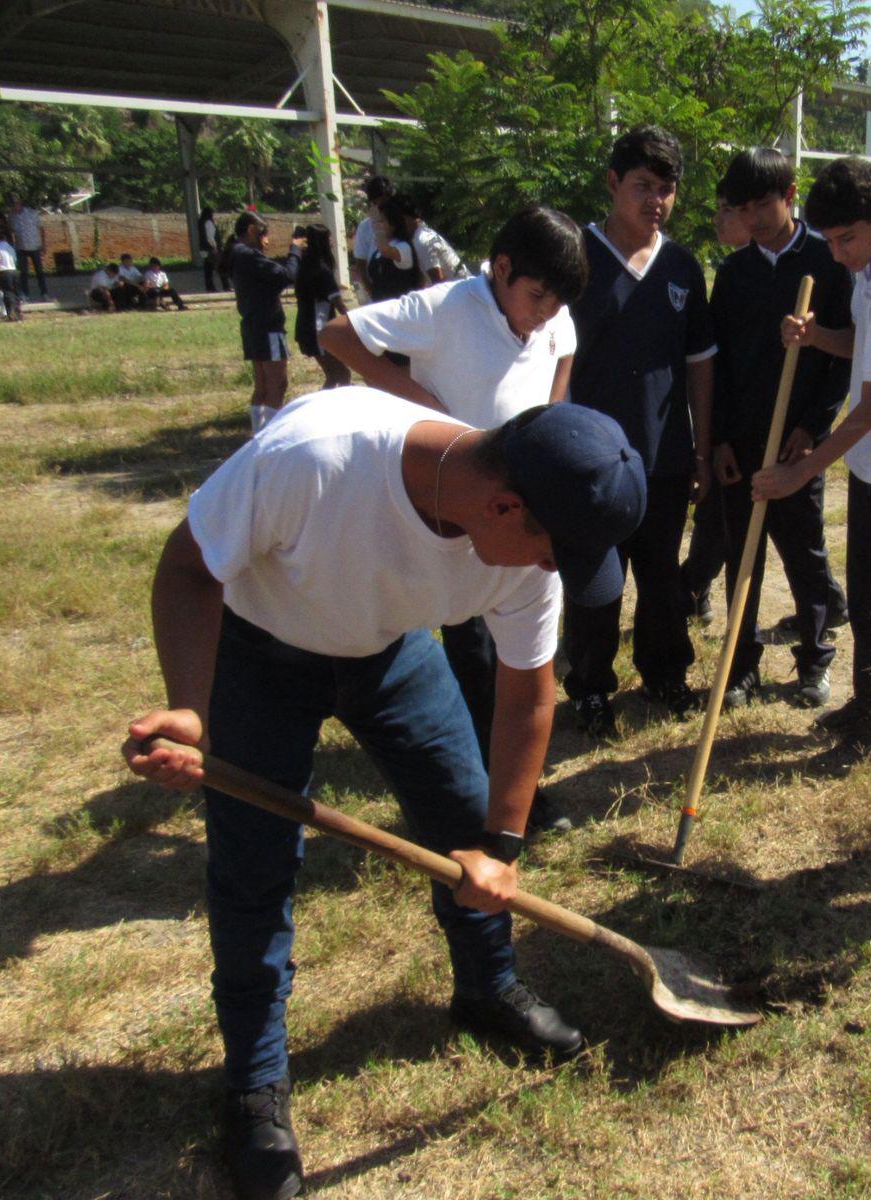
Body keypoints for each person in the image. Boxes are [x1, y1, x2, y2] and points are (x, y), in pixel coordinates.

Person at [122, 392, 645, 1200]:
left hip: (388, 650)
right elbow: (188, 567)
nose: (553, 572)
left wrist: (502, 847)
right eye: (553, 553)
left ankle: (487, 987)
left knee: (464, 811)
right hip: (259, 653)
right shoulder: (314, 460)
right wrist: (191, 709)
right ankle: (255, 1084)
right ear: (504, 507)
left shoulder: (524, 540)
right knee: (256, 867)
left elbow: (526, 695)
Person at [321, 204, 585, 835]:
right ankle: (487, 790)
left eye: (557, 302)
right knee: (475, 654)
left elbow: (564, 354)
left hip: (521, 511)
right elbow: (338, 334)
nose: (546, 313)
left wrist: (547, 425)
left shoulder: (554, 316)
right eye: (537, 297)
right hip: (457, 512)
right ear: (502, 268)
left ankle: (515, 786)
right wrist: (419, 403)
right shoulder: (447, 307)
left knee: (523, 653)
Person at [754, 157, 871, 764]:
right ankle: (867, 704)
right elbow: (864, 346)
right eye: (829, 241)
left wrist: (799, 472)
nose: (836, 254)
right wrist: (816, 337)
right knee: (863, 596)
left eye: (846, 239)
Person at [564, 125, 715, 737]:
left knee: (661, 576)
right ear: (612, 182)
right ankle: (590, 688)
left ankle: (665, 674)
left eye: (666, 188)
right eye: (643, 186)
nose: (656, 200)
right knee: (597, 580)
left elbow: (699, 364)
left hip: (664, 457)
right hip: (592, 460)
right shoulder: (577, 258)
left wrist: (701, 451)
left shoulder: (682, 267)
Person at [707, 147, 854, 711]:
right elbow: (719, 363)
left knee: (803, 552)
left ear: (790, 195)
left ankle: (815, 658)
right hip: (743, 440)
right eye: (741, 208)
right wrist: (720, 437)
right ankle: (741, 668)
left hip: (797, 443)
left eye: (763, 204)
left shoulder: (825, 261)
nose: (753, 218)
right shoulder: (734, 273)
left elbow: (844, 358)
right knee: (742, 555)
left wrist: (813, 427)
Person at [677, 178, 758, 629]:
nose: (717, 219)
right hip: (724, 420)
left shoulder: (785, 270)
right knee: (716, 519)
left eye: (728, 209)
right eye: (720, 208)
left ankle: (827, 597)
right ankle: (692, 586)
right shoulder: (730, 272)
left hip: (763, 424)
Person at [228, 212, 303, 432]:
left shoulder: (236, 253)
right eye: (264, 235)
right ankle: (270, 434)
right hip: (268, 328)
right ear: (252, 230)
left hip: (253, 326)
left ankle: (257, 433)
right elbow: (287, 275)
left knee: (261, 386)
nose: (267, 241)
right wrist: (295, 250)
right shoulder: (248, 255)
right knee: (278, 384)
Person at [290, 224, 349, 389]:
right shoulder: (322, 270)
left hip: (305, 327)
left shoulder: (304, 267)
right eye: (329, 238)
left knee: (333, 375)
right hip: (319, 329)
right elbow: (339, 305)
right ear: (322, 242)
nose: (332, 242)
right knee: (341, 374)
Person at [382, 192, 468, 283]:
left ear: (404, 220)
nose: (383, 227)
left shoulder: (422, 241)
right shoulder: (421, 234)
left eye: (386, 221)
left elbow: (438, 284)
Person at [349, 175, 394, 299]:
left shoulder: (402, 221)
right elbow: (360, 260)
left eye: (385, 202)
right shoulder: (365, 227)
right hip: (378, 286)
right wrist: (368, 286)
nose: (381, 206)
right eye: (376, 202)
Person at [7, 195, 49, 300]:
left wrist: (43, 244)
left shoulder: (32, 213)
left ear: (20, 203)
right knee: (23, 272)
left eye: (16, 204)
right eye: (12, 205)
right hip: (21, 247)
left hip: (34, 246)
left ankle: (44, 292)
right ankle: (25, 293)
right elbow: (11, 231)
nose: (14, 207)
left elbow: (41, 229)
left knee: (39, 271)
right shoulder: (12, 217)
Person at [0, 226, 22, 321]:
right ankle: (18, 312)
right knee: (15, 292)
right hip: (14, 270)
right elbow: (15, 260)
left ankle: (10, 313)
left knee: (7, 293)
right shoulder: (10, 247)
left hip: (5, 271)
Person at [199, 206, 222, 292]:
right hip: (210, 249)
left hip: (204, 249)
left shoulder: (201, 222)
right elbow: (210, 237)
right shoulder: (208, 223)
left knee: (208, 269)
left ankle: (209, 287)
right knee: (214, 268)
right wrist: (215, 247)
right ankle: (212, 287)